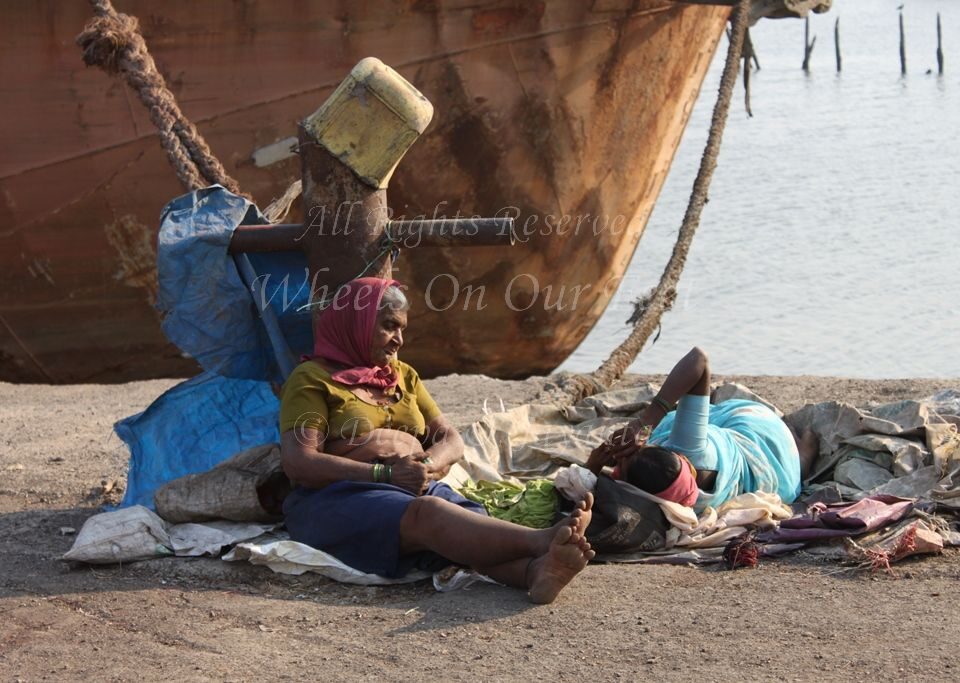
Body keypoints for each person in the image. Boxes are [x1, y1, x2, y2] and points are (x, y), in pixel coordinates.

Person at [279, 276, 594, 603]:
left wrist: (426, 467)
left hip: (409, 487)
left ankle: (536, 573)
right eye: (389, 326)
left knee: (465, 524)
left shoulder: (403, 376)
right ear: (355, 323)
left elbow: (450, 438)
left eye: (402, 329)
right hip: (335, 499)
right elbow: (299, 462)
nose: (398, 339)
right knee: (428, 514)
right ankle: (542, 541)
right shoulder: (313, 380)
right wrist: (384, 474)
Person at [585, 347, 817, 510]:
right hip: (757, 435)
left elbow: (591, 494)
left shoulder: (667, 505)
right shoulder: (689, 449)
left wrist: (592, 467)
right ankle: (802, 455)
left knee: (791, 481)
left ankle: (800, 461)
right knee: (790, 468)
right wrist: (644, 424)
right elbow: (699, 359)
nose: (619, 458)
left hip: (771, 479)